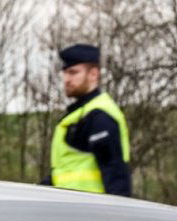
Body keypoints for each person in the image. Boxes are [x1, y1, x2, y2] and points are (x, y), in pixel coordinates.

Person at [44, 44, 131, 196]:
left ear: (93, 74)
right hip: (73, 211)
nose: (66, 79)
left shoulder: (99, 117)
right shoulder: (79, 114)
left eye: (73, 72)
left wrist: (117, 218)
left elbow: (116, 176)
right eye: (65, 73)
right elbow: (63, 173)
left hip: (91, 214)